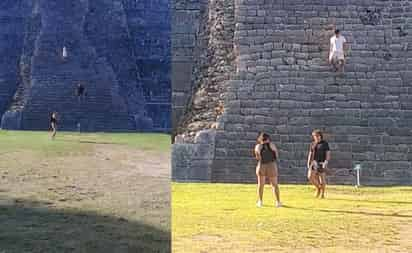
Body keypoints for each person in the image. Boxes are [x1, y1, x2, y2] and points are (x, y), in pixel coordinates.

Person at [254, 132, 282, 208]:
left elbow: (257, 157)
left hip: (262, 165)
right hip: (271, 164)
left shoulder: (258, 146)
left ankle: (260, 201)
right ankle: (278, 202)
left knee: (261, 185)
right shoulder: (271, 145)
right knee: (274, 184)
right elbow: (276, 154)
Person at [307, 129, 331, 198]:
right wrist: (308, 162)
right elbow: (310, 153)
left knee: (322, 178)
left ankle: (322, 194)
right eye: (314, 136)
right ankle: (318, 188)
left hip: (321, 162)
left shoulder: (325, 144)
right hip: (314, 162)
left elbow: (328, 153)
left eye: (317, 136)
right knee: (310, 177)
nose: (316, 137)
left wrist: (326, 162)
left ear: (320, 136)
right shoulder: (313, 144)